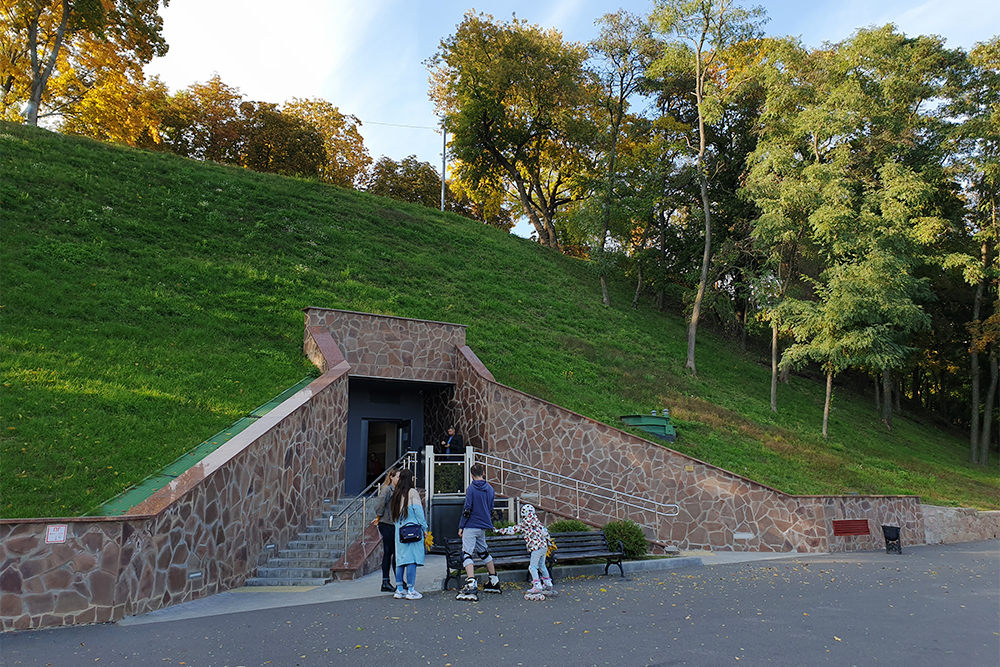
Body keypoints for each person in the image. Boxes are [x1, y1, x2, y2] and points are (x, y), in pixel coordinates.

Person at [455, 463, 502, 601]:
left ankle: (471, 583)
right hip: (483, 526)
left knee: (467, 553)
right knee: (483, 552)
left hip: (471, 525)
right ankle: (494, 580)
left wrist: (461, 526)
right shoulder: (490, 489)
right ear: (483, 473)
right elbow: (491, 508)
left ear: (471, 475)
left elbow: (467, 509)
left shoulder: (471, 489)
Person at [497, 504, 556, 600]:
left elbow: (513, 530)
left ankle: (537, 585)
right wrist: (549, 542)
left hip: (535, 548)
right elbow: (545, 532)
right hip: (543, 547)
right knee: (542, 565)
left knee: (532, 567)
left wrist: (500, 530)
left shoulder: (524, 523)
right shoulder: (537, 521)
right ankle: (547, 583)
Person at [390, 468, 428, 600]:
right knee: (412, 560)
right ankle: (411, 590)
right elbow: (418, 512)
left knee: (400, 560)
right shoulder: (412, 492)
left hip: (398, 531)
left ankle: (399, 589)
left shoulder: (396, 493)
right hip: (412, 530)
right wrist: (425, 528)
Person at [373, 468, 399, 592]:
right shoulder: (387, 489)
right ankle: (386, 581)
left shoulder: (396, 490)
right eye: (398, 477)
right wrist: (379, 516)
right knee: (389, 552)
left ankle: (394, 580)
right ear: (392, 478)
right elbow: (379, 505)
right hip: (386, 523)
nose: (399, 480)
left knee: (392, 553)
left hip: (393, 523)